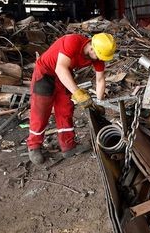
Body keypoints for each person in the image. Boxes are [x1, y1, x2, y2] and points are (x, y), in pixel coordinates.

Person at [27, 33, 116, 164]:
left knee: (65, 109)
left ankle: (68, 146)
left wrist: (99, 102)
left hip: (64, 76)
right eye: (98, 56)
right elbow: (60, 68)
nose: (99, 59)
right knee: (41, 111)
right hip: (45, 73)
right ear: (92, 48)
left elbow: (100, 80)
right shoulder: (72, 41)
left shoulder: (98, 56)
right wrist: (78, 93)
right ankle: (34, 146)